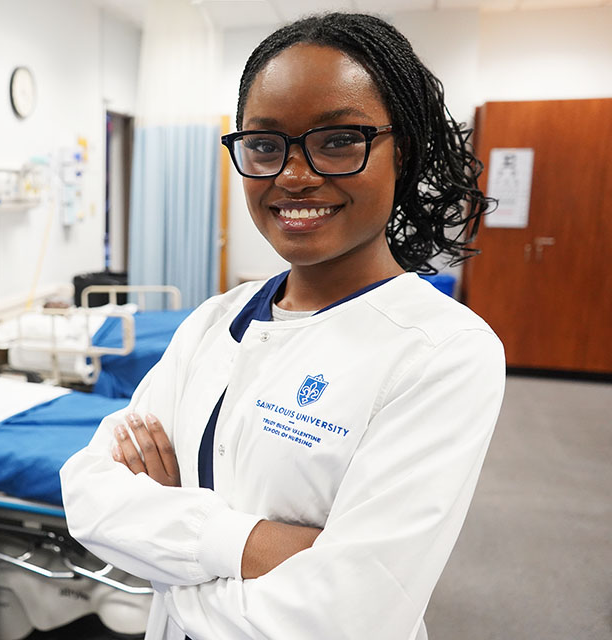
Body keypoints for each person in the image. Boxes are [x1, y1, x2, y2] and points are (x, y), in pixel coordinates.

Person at [60, 12, 505, 640]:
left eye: (339, 140)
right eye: (266, 146)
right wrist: (265, 547)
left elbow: (344, 614)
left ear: (400, 152)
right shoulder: (215, 321)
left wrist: (168, 554)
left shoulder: (444, 351)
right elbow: (88, 492)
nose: (294, 174)